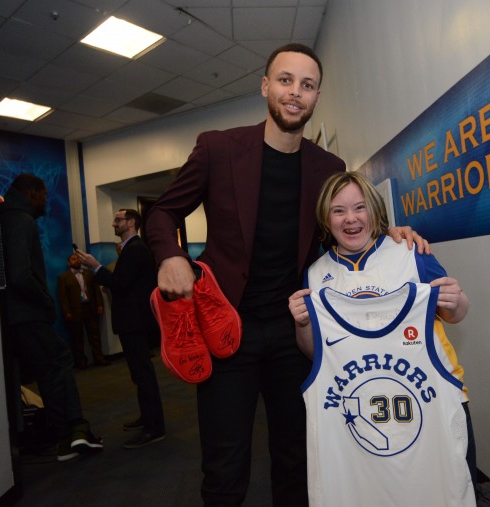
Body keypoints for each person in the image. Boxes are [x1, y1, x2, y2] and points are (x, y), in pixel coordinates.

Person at [144, 43, 426, 506]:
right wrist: (169, 255)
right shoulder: (218, 148)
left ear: (316, 98)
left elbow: (340, 227)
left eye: (307, 85)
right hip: (227, 332)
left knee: (297, 459)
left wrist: (385, 234)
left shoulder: (327, 168)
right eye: (286, 80)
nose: (295, 92)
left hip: (295, 333)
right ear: (265, 87)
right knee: (225, 466)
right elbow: (162, 212)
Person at [288, 171, 478, 504]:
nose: (351, 219)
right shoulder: (316, 275)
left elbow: (455, 312)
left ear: (374, 211)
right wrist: (302, 323)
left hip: (430, 401)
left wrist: (456, 300)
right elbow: (314, 353)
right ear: (325, 218)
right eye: (338, 210)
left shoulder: (409, 251)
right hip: (360, 411)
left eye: (359, 208)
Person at [0, 173, 103, 462]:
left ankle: (65, 439)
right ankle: (73, 434)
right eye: (44, 196)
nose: (46, 202)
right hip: (27, 315)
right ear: (33, 193)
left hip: (12, 317)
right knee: (59, 364)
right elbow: (21, 274)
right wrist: (46, 302)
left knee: (46, 371)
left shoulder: (5, 218)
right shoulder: (21, 221)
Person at [76, 208, 165, 449]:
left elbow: (121, 284)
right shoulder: (131, 249)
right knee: (139, 374)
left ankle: (155, 427)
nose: (114, 224)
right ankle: (148, 418)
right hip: (132, 320)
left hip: (135, 321)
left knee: (143, 375)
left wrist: (96, 268)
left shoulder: (135, 249)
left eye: (118, 220)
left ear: (132, 222)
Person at [57, 253, 109, 368]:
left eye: (78, 258)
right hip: (75, 310)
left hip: (90, 307)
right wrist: (66, 312)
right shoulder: (63, 278)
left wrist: (100, 305)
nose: (76, 261)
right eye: (73, 259)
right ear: (69, 262)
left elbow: (96, 290)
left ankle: (99, 358)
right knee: (77, 338)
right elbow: (63, 297)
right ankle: (81, 362)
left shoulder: (89, 273)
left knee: (95, 335)